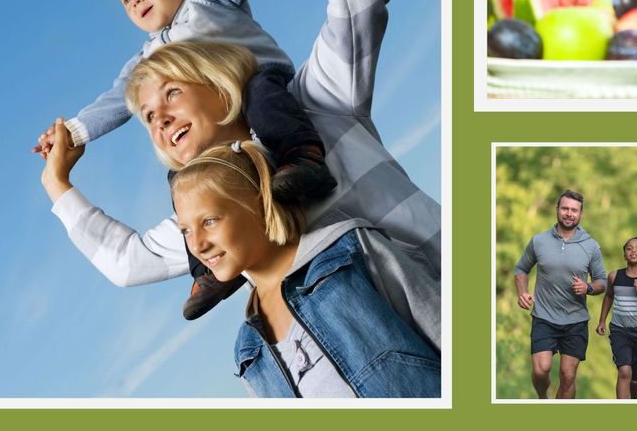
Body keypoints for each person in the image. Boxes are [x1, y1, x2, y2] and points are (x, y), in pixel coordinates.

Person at [38, 0, 440, 345]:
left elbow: (356, 3)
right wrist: (60, 172)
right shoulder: (210, 208)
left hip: (454, 297)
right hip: (375, 363)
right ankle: (206, 277)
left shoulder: (318, 104)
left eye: (172, 93)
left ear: (212, 78)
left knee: (265, 97)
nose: (161, 119)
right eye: (148, 116)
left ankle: (302, 159)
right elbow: (128, 262)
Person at [172, 141, 439, 397]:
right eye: (185, 230)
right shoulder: (247, 350)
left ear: (260, 204)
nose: (197, 245)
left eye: (209, 221)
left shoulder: (351, 251)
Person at [513, 188, 606, 399]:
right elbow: (521, 269)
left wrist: (588, 288)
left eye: (574, 210)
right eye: (565, 208)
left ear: (580, 214)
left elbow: (603, 281)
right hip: (544, 317)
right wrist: (523, 292)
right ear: (557, 210)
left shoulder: (590, 246)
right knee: (540, 369)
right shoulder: (539, 241)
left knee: (568, 377)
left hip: (575, 321)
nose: (569, 213)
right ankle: (543, 398)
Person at [596, 236, 637, 399]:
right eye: (629, 248)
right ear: (624, 255)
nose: (633, 251)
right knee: (624, 371)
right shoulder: (614, 277)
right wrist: (602, 320)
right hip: (620, 331)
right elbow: (609, 296)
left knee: (635, 380)